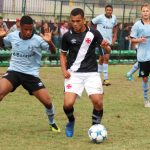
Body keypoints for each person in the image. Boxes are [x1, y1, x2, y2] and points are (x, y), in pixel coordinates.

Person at [0, 15, 60, 132]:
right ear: (20, 27)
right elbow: (2, 44)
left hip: (30, 75)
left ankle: (52, 123)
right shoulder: (12, 36)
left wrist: (50, 42)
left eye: (30, 29)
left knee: (47, 102)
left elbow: (53, 52)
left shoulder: (38, 39)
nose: (28, 32)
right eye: (25, 29)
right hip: (14, 72)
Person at [60, 8, 111, 137]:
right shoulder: (67, 36)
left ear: (84, 20)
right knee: (67, 104)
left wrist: (105, 46)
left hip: (91, 73)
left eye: (78, 21)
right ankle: (71, 121)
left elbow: (108, 51)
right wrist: (64, 70)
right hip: (73, 74)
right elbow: (62, 54)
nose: (75, 24)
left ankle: (95, 127)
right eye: (73, 21)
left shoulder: (94, 33)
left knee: (98, 102)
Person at [91, 4, 117, 86]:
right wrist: (93, 33)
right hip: (100, 41)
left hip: (108, 41)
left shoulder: (114, 18)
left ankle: (98, 79)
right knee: (106, 57)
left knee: (102, 58)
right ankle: (105, 79)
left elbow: (115, 27)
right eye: (107, 10)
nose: (109, 11)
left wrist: (115, 37)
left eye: (110, 10)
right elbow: (91, 23)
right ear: (105, 10)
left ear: (112, 11)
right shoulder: (100, 17)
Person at [130, 3, 150, 108]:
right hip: (143, 56)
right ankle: (146, 100)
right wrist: (139, 40)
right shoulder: (137, 25)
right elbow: (132, 39)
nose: (145, 12)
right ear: (141, 12)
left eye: (147, 11)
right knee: (145, 78)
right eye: (144, 11)